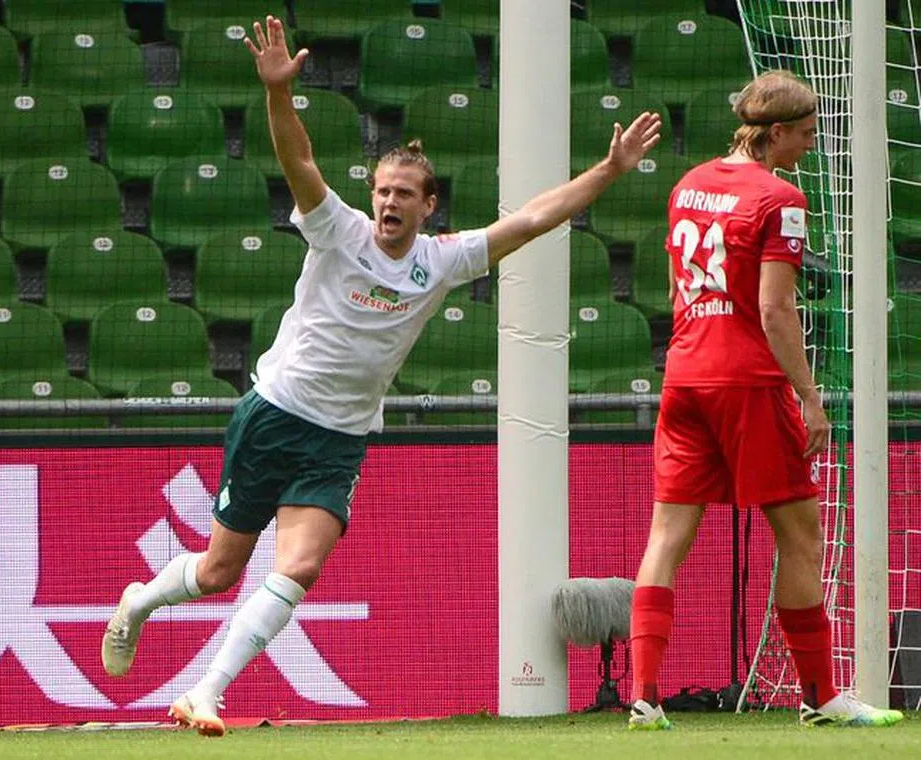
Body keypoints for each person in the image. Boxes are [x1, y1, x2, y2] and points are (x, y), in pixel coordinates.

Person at [101, 15, 660, 736]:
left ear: (429, 207)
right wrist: (279, 95)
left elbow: (533, 220)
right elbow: (300, 162)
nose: (390, 202)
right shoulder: (338, 231)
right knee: (217, 573)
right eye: (384, 191)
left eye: (406, 194)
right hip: (274, 414)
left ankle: (206, 692)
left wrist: (609, 171)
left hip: (340, 438)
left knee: (299, 568)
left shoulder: (442, 260)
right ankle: (140, 600)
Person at [626, 70, 903, 730]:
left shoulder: (687, 183)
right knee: (801, 538)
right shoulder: (781, 197)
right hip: (748, 383)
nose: (811, 145)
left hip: (685, 376)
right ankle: (820, 696)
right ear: (776, 132)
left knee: (666, 537)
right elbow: (776, 309)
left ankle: (644, 696)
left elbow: (675, 285)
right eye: (806, 134)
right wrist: (810, 398)